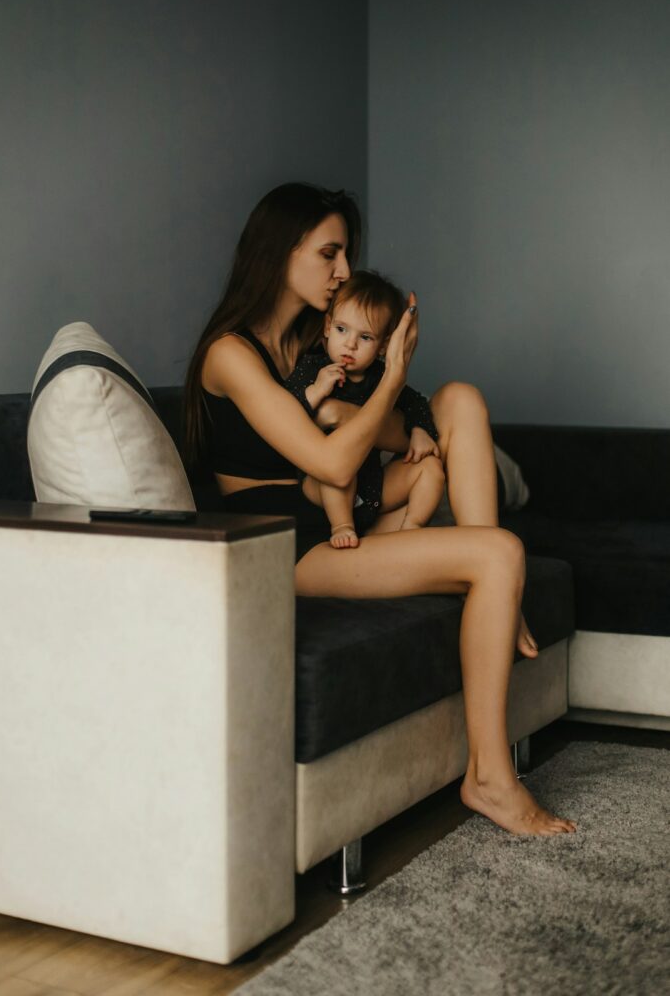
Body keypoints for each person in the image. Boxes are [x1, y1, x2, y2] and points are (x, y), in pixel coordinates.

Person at [184, 182, 576, 836]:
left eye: (346, 256)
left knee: (460, 400)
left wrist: (364, 407)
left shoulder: (318, 341)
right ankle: (489, 777)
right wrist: (390, 377)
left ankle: (498, 596)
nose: (343, 273)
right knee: (501, 552)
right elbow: (334, 462)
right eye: (329, 254)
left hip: (345, 518)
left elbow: (395, 434)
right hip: (289, 547)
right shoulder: (231, 354)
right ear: (280, 252)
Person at [285, 269, 445, 548]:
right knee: (338, 471)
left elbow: (416, 402)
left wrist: (420, 430)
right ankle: (342, 526)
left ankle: (412, 527)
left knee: (430, 468)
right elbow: (284, 416)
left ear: (383, 346)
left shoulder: (383, 379)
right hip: (324, 484)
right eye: (342, 330)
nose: (350, 344)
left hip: (372, 485)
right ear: (327, 327)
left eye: (366, 338)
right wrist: (315, 392)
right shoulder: (313, 369)